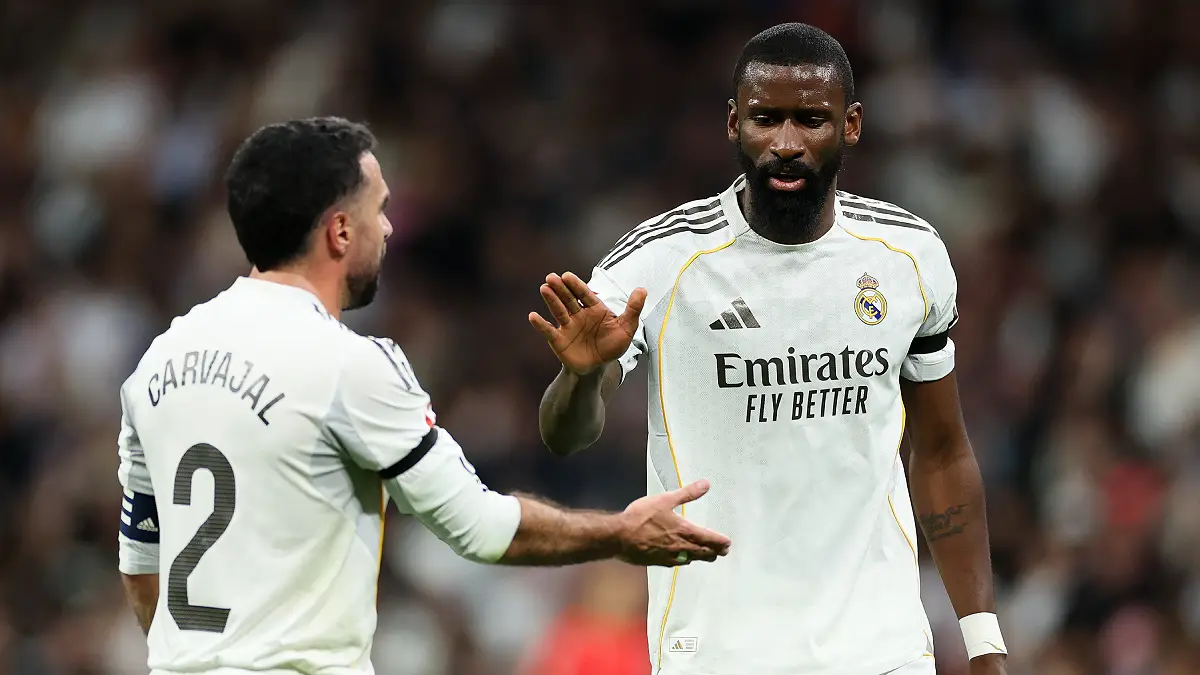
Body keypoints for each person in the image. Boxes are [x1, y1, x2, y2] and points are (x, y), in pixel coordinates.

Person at [115, 117, 731, 675]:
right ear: (339, 231)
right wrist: (620, 533)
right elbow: (482, 530)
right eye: (380, 209)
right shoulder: (348, 366)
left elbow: (143, 572)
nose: (388, 228)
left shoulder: (158, 361)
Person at [529, 23, 1007, 675]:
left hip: (881, 651)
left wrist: (983, 639)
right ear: (734, 123)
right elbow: (565, 435)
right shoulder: (657, 261)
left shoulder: (909, 257)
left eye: (810, 120)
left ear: (851, 125)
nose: (786, 143)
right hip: (718, 653)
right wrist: (581, 378)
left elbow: (943, 450)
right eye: (765, 119)